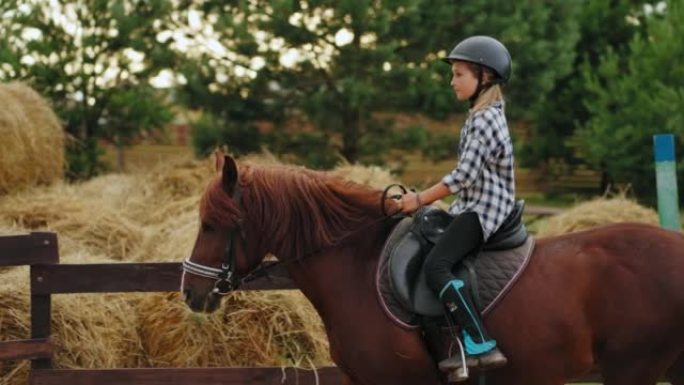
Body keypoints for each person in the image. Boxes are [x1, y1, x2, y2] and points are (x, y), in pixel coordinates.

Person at [399, 35, 514, 379]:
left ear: (485, 77)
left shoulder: (483, 120)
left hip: (484, 212)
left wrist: (418, 199)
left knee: (437, 266)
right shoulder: (481, 115)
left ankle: (480, 342)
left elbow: (462, 176)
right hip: (473, 204)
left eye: (460, 74)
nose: (452, 81)